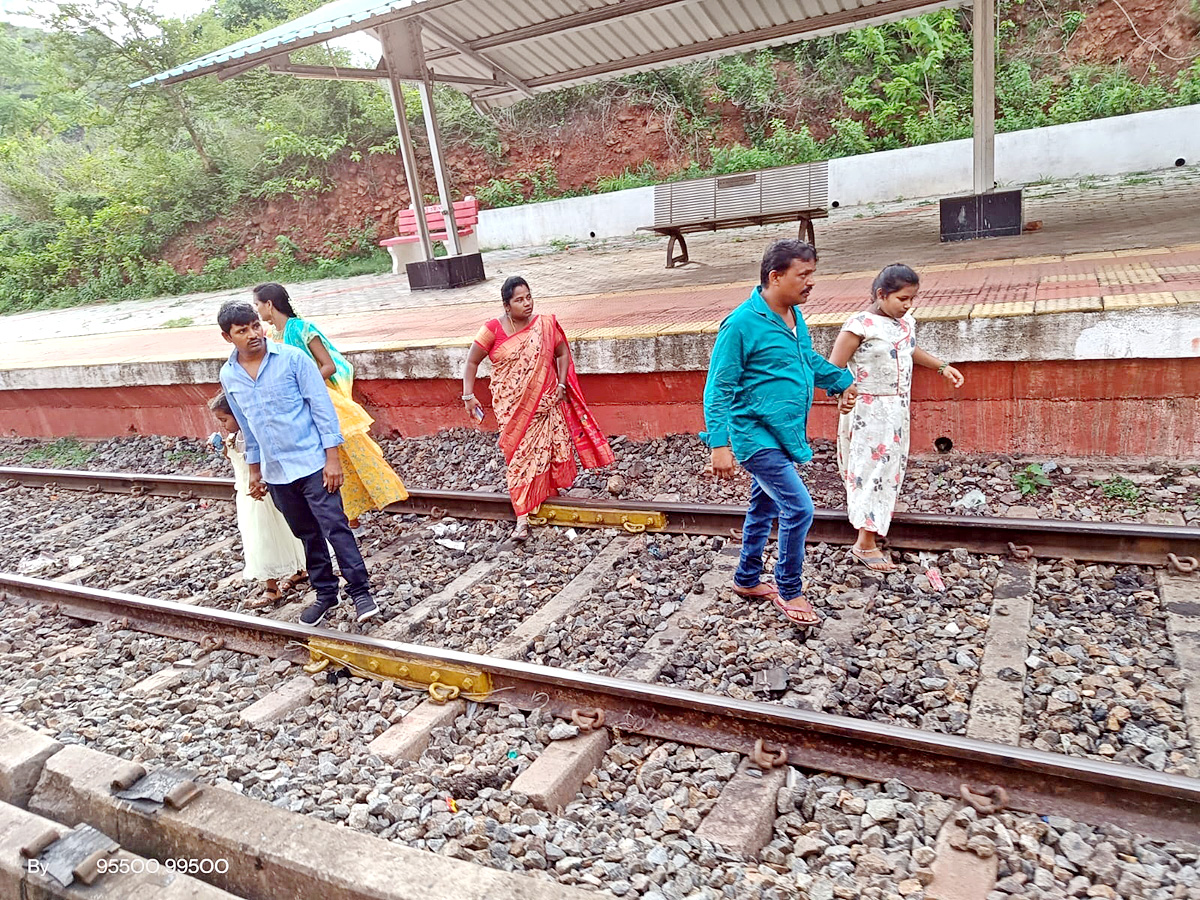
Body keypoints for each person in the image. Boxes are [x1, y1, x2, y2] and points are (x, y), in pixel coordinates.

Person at [702, 239, 858, 627]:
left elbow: (806, 359)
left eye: (812, 275)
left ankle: (747, 578)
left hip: (783, 432)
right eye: (803, 275)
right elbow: (718, 387)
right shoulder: (740, 324)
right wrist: (719, 444)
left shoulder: (792, 316)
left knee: (764, 505)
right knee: (799, 508)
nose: (811, 284)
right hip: (754, 434)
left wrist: (839, 381)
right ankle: (789, 588)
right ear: (776, 276)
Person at [216, 300, 379, 626]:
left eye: (254, 326)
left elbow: (322, 408)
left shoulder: (292, 359)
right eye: (242, 331)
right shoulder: (229, 375)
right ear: (227, 337)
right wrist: (255, 471)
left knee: (336, 527)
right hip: (277, 472)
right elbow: (248, 426)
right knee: (306, 533)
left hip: (312, 462)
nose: (252, 334)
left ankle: (361, 593)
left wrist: (332, 460)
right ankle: (325, 594)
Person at [828, 263, 964, 571]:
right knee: (869, 472)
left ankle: (872, 530)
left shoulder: (905, 324)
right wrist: (842, 394)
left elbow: (908, 350)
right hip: (867, 411)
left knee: (889, 472)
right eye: (903, 298)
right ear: (881, 294)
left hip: (896, 410)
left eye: (912, 299)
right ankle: (864, 543)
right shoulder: (859, 325)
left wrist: (942, 366)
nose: (908, 305)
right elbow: (833, 368)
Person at [461, 276, 614, 541]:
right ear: (507, 306)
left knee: (548, 448)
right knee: (519, 456)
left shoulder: (544, 326)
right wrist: (467, 395)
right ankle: (522, 516)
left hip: (546, 402)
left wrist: (563, 385)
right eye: (519, 300)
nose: (527, 304)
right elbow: (472, 361)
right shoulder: (492, 329)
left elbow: (562, 353)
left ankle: (547, 495)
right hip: (512, 407)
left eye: (529, 297)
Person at [252, 282, 408, 530]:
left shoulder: (303, 329)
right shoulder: (271, 337)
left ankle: (352, 515)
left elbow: (329, 365)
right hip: (293, 405)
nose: (257, 310)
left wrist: (304, 385)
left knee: (345, 456)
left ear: (269, 304)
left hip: (319, 399)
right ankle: (339, 515)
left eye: (257, 304)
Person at [208, 391, 307, 607]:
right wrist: (222, 447)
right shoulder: (235, 437)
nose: (223, 425)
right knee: (277, 533)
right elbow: (233, 456)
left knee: (264, 538)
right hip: (249, 495)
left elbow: (254, 461)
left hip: (258, 495)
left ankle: (272, 588)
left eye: (224, 420)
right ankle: (296, 571)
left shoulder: (250, 438)